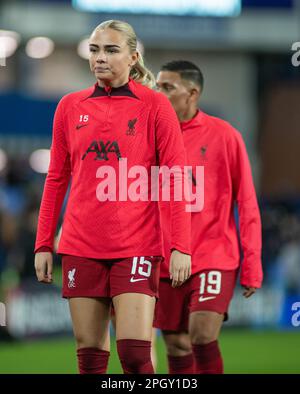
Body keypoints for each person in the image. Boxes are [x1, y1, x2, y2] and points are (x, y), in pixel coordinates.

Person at [34, 21, 191, 374]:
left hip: (136, 245)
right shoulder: (69, 106)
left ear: (134, 57)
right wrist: (43, 242)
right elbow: (56, 178)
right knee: (89, 356)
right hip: (80, 244)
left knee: (136, 356)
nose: (100, 57)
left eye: (110, 50)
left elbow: (176, 179)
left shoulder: (155, 106)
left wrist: (181, 245)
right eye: (94, 50)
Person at [154, 61, 263, 374]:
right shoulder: (151, 136)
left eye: (167, 87)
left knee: (201, 335)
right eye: (157, 86)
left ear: (192, 93)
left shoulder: (225, 136)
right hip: (165, 260)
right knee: (177, 344)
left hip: (213, 255)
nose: (159, 93)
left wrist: (252, 263)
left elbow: (247, 201)